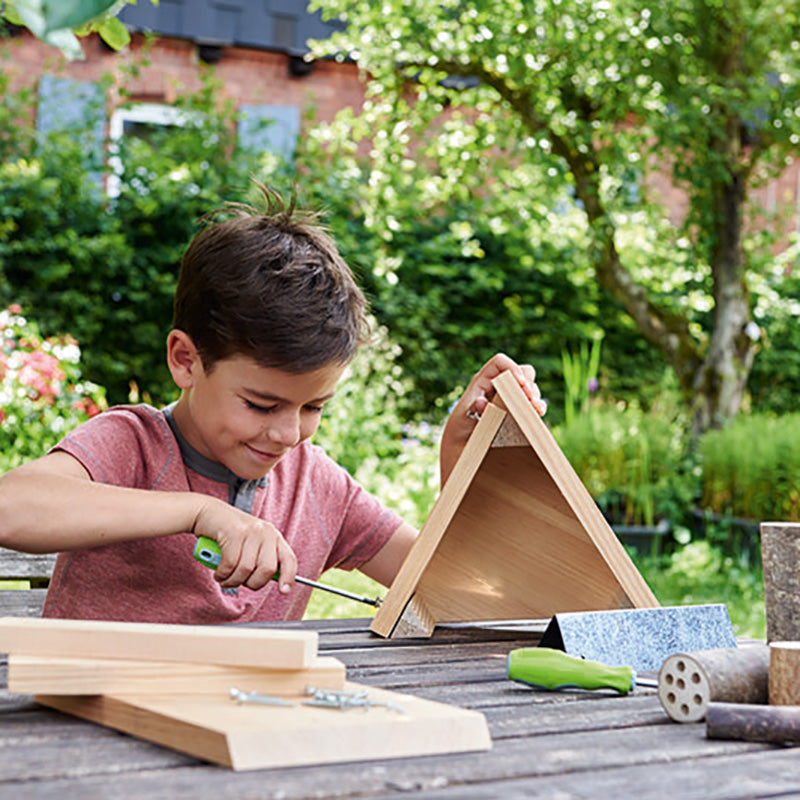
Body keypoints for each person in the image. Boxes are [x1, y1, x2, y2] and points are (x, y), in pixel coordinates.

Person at [0, 185, 545, 624]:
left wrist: (464, 455)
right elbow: (11, 506)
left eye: (313, 408)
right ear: (185, 360)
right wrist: (201, 512)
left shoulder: (317, 486)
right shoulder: (132, 446)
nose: (289, 434)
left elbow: (455, 589)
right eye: (262, 406)